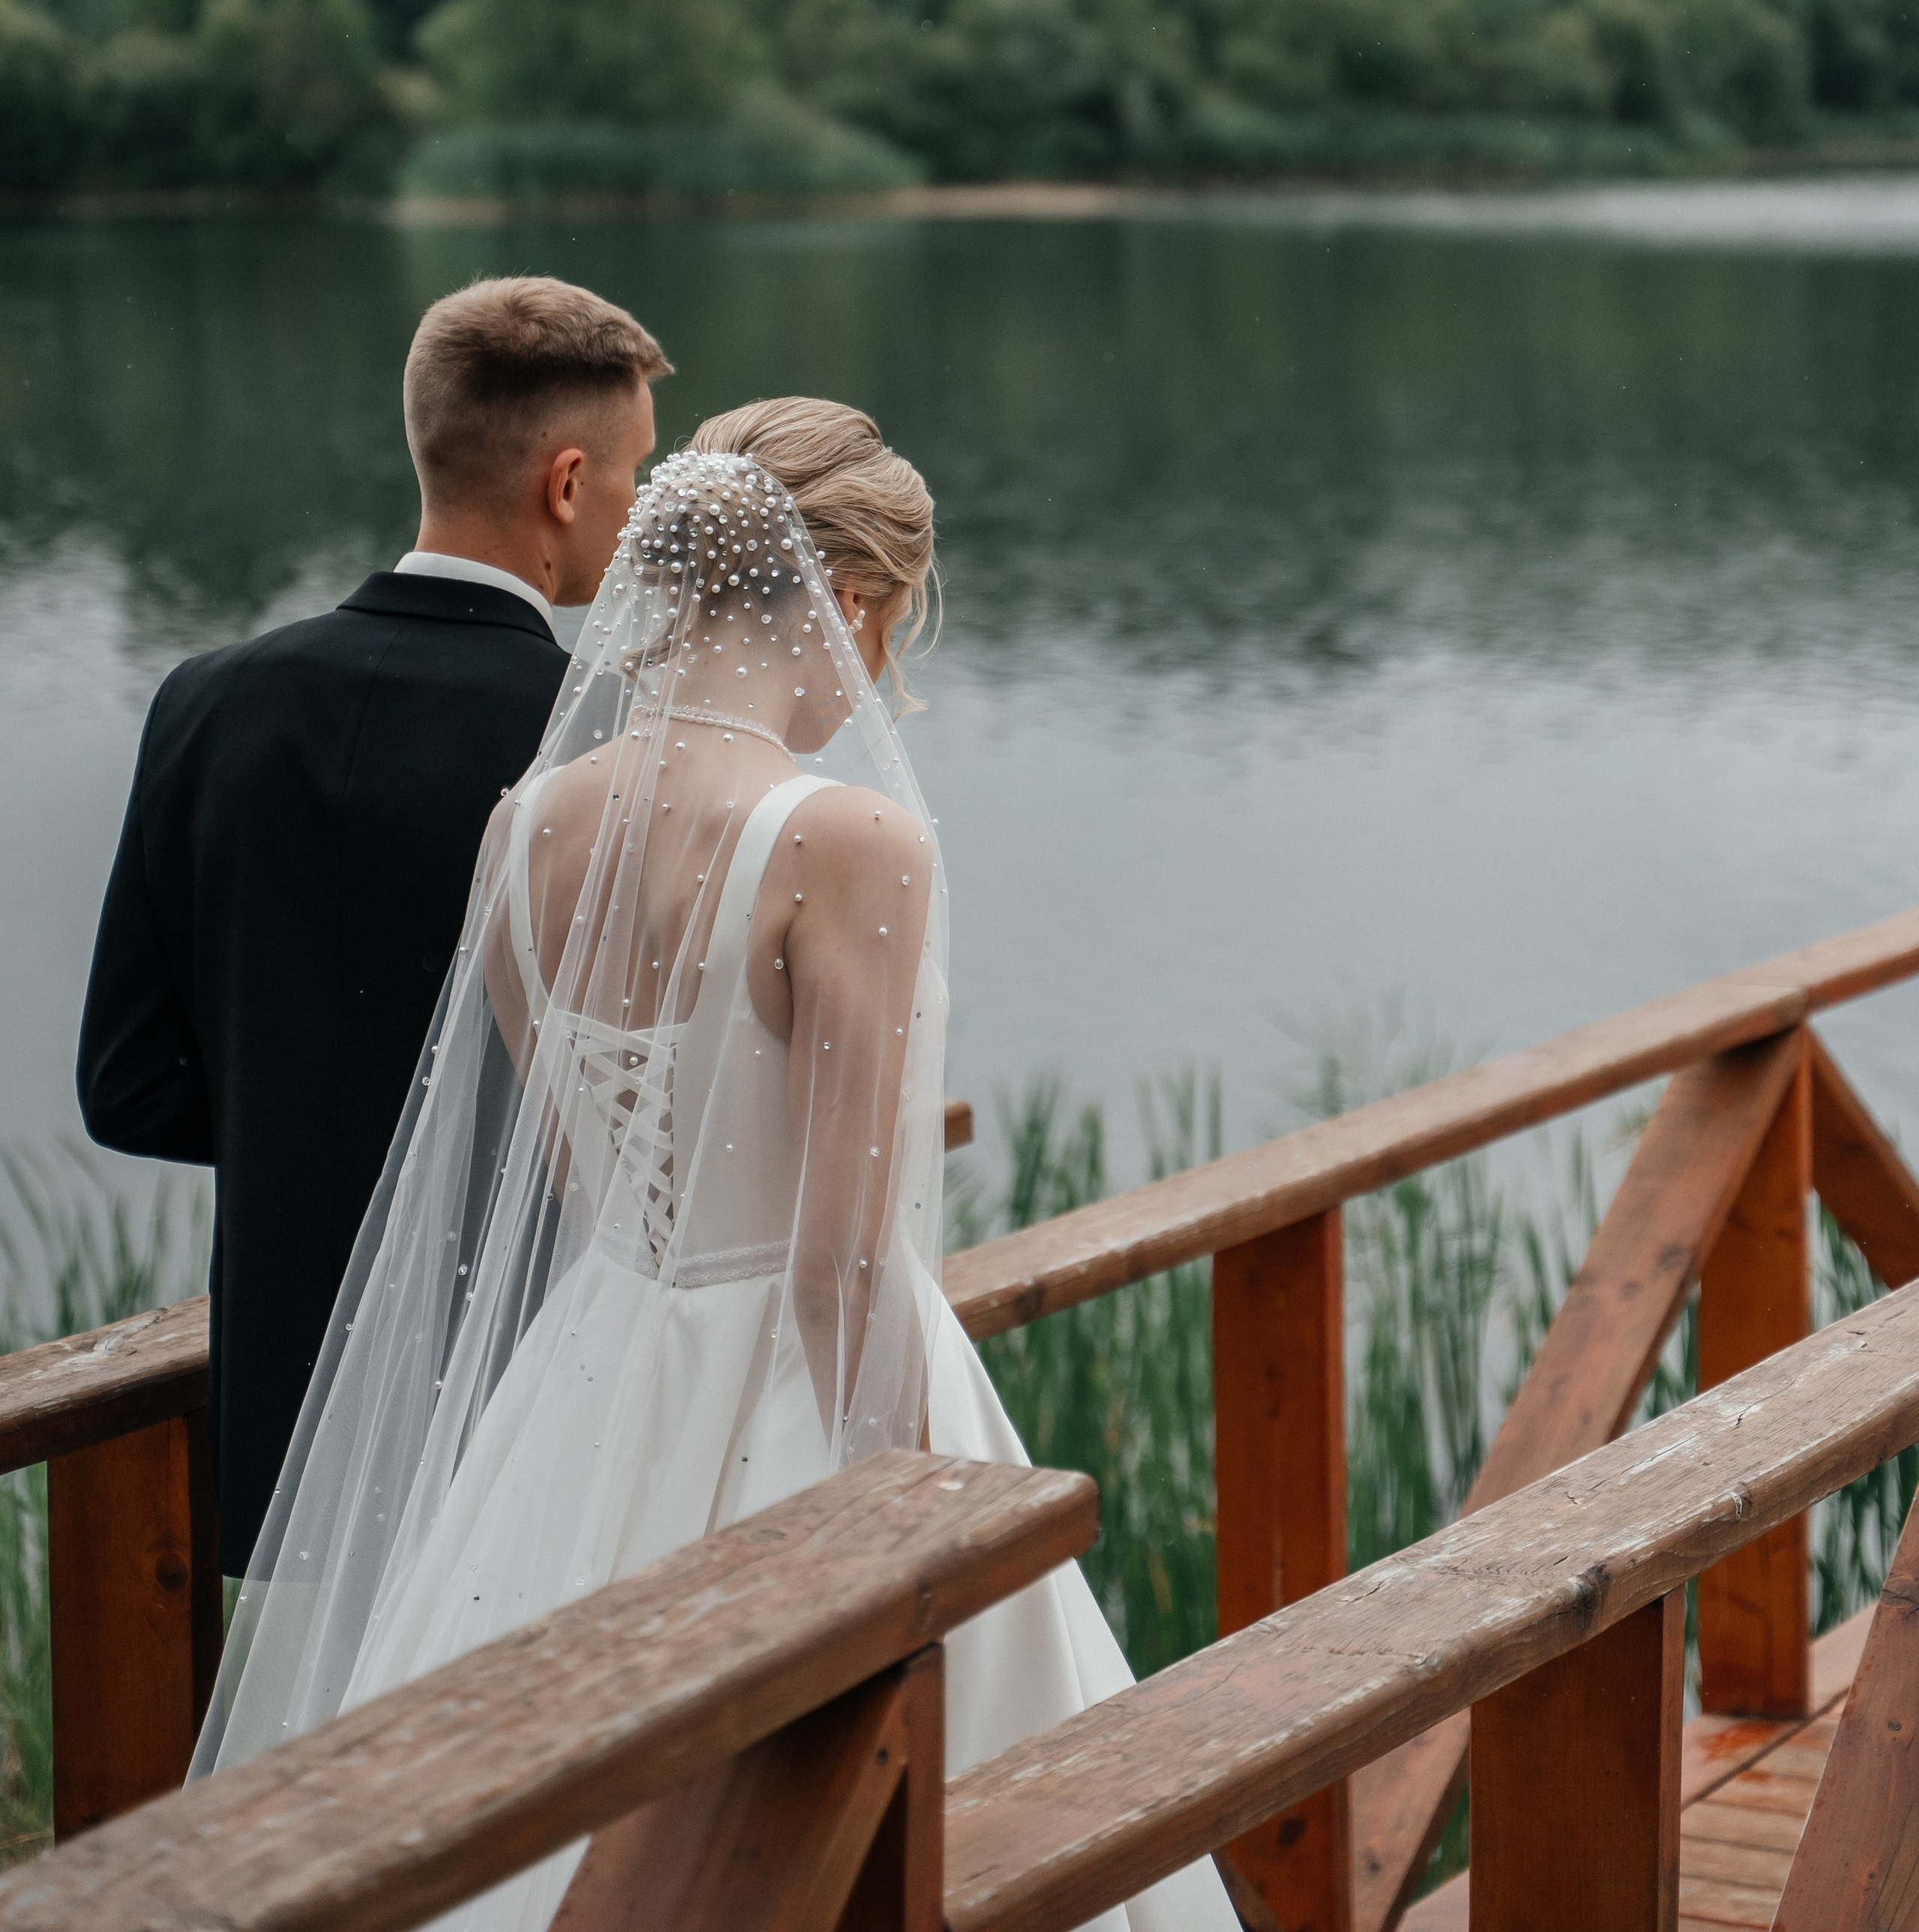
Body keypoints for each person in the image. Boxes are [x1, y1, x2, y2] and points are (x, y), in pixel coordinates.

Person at [196, 399, 1233, 1932]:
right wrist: (912, 1525)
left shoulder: (526, 825)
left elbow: (577, 1160)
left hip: (588, 1379)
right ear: (856, 603)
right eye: (890, 634)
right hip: (805, 1393)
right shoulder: (846, 840)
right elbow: (839, 1260)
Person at [76, 274, 668, 1574]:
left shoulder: (206, 702)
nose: (638, 521)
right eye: (636, 481)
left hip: (287, 1416)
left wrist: (304, 1150)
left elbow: (127, 1089)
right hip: (530, 1401)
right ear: (566, 485)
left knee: (326, 1773)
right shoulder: (608, 741)